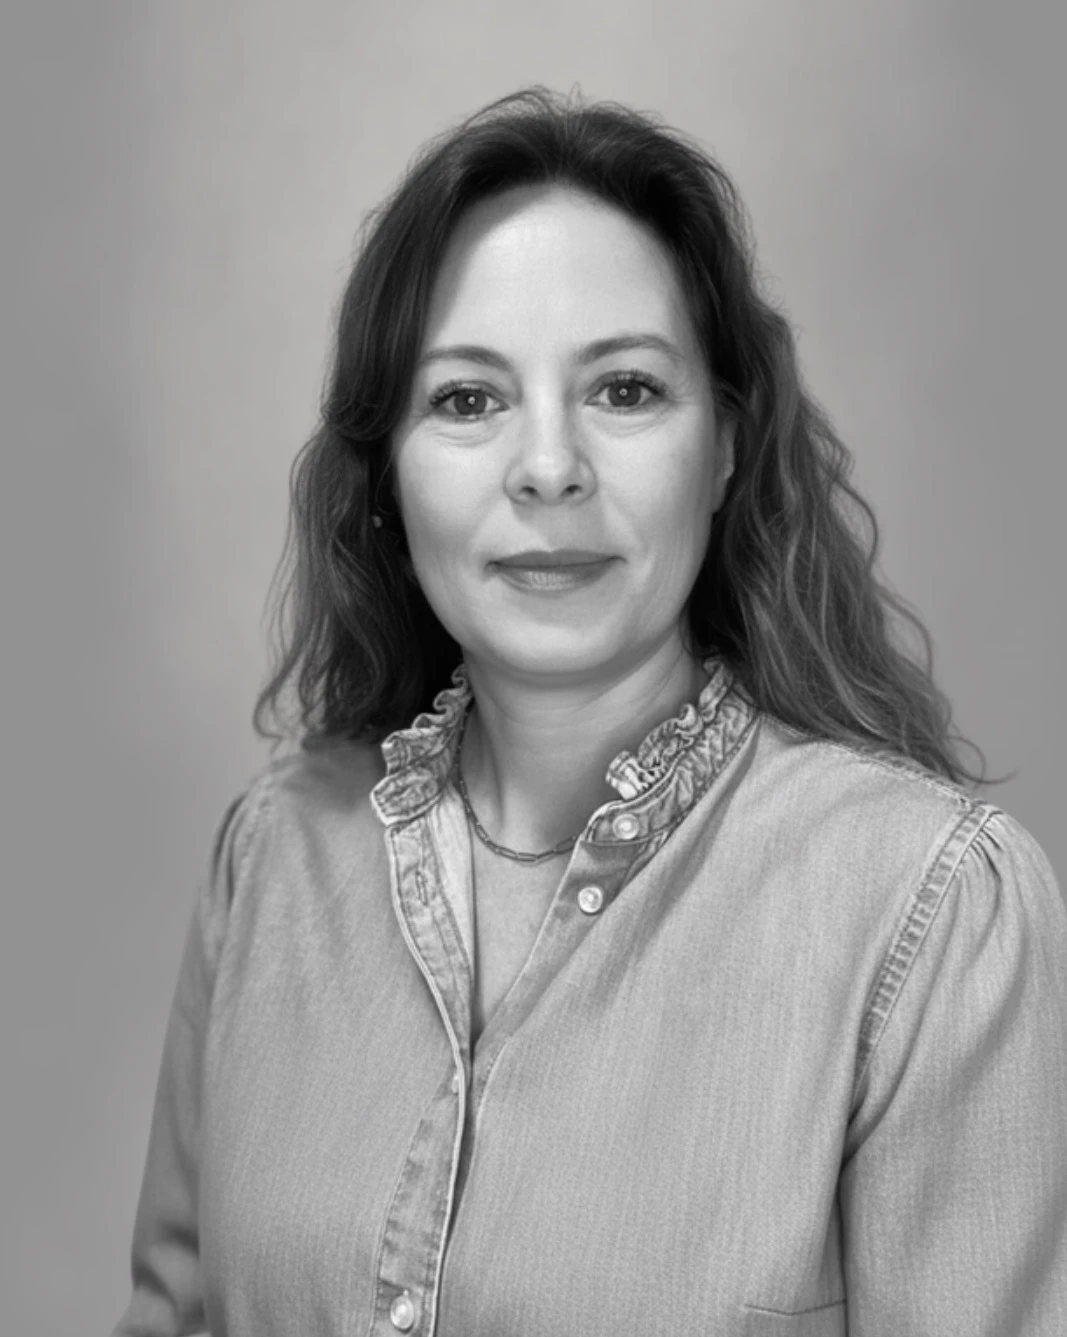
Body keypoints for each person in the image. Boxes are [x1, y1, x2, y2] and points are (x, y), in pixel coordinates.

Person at [113, 88, 1067, 1337]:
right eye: (467, 399)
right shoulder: (274, 857)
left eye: (622, 389)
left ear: (724, 445)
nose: (549, 468)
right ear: (385, 471)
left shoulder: (928, 912)